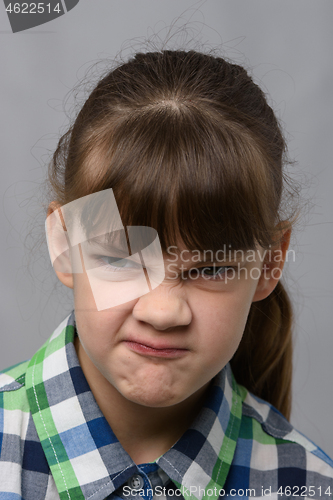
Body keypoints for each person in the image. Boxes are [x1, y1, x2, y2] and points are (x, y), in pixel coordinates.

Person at [0, 49, 332, 499]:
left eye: (211, 267)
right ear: (64, 242)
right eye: (121, 256)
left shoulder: (307, 485)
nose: (162, 311)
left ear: (270, 264)